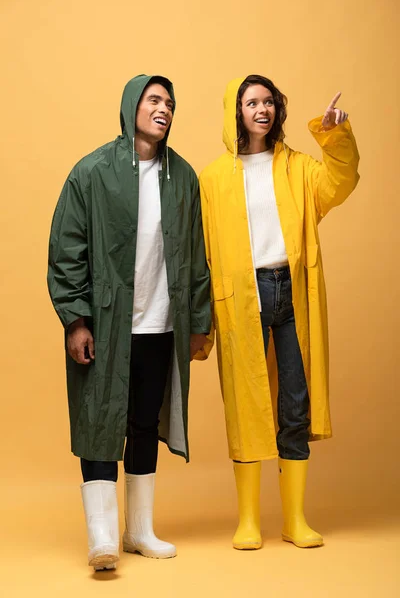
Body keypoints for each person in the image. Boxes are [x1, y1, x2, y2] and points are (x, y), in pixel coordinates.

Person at [48, 74, 210, 570]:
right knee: (100, 419)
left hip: (161, 322)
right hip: (106, 324)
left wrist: (200, 320)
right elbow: (67, 248)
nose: (164, 109)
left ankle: (138, 529)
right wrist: (76, 319)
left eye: (170, 103)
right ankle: (102, 537)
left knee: (143, 422)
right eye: (154, 100)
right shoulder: (92, 171)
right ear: (131, 107)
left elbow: (197, 253)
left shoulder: (182, 176)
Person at [199, 74, 359, 550]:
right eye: (252, 103)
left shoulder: (298, 167)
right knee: (248, 404)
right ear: (237, 113)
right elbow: (201, 250)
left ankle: (295, 519)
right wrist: (199, 324)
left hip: (292, 290)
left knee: (294, 402)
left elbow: (340, 183)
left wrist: (335, 136)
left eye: (268, 101)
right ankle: (248, 520)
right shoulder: (211, 178)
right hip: (241, 295)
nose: (262, 109)